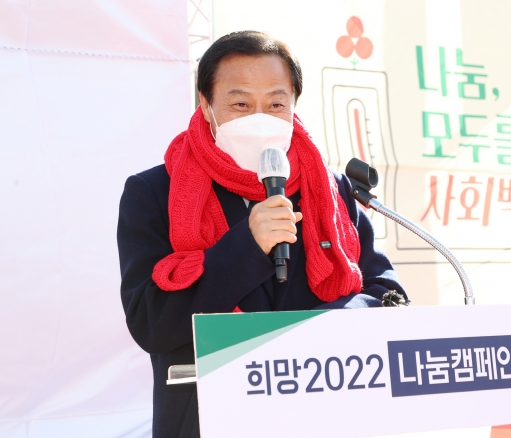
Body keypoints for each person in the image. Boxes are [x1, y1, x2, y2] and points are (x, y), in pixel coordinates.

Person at [117, 30, 406, 438]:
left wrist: (315, 334)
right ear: (206, 105)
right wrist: (246, 247)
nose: (260, 118)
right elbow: (151, 322)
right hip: (210, 421)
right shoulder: (154, 192)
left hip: (324, 417)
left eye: (275, 104)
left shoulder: (330, 189)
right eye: (240, 104)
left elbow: (385, 294)